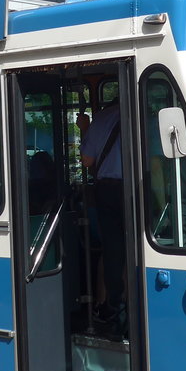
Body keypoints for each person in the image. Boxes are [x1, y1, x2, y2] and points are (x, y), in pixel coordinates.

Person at [79, 101, 125, 337]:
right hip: (138, 187)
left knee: (113, 251)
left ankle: (114, 311)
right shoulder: (147, 109)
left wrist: (85, 130)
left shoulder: (102, 119)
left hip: (109, 190)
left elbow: (87, 160)